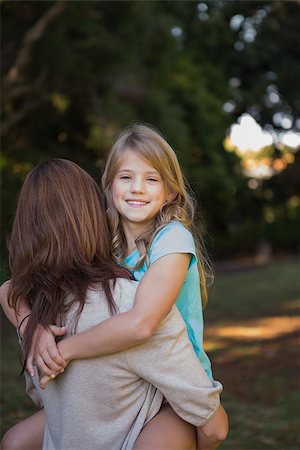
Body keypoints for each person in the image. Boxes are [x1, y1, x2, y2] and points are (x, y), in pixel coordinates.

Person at [2, 125, 228, 449]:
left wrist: (62, 350)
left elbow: (142, 323)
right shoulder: (105, 242)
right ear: (108, 186)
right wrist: (33, 328)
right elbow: (10, 289)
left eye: (152, 179)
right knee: (16, 441)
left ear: (172, 192)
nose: (137, 188)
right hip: (125, 376)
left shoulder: (173, 238)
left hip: (173, 384)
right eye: (126, 177)